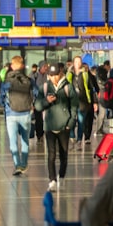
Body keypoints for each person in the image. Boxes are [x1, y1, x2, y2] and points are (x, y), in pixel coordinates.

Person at [36, 63, 77, 192]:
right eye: (51, 76)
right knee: (51, 155)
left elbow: (74, 107)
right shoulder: (44, 88)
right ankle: (52, 180)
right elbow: (37, 106)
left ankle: (62, 176)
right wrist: (46, 101)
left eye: (56, 75)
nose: (54, 78)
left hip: (64, 126)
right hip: (49, 126)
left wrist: (70, 124)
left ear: (60, 74)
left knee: (63, 154)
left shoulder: (68, 87)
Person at [1, 56, 34, 176]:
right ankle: (24, 164)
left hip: (11, 114)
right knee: (25, 140)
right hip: (25, 113)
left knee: (13, 141)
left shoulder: (6, 81)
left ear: (12, 66)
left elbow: (2, 99)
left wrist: (5, 106)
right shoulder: (28, 79)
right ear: (22, 66)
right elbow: (35, 93)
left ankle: (17, 165)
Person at [66, 56, 98, 146]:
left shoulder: (85, 74)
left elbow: (91, 88)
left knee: (81, 121)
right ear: (73, 63)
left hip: (82, 102)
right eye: (76, 61)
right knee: (71, 119)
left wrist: (94, 102)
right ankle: (72, 136)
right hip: (71, 101)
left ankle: (79, 139)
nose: (78, 63)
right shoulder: (69, 74)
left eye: (79, 62)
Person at [30, 61, 49, 143]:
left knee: (47, 117)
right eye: (45, 67)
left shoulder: (48, 75)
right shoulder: (34, 76)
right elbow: (31, 89)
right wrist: (32, 102)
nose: (46, 68)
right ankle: (39, 135)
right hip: (37, 100)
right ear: (40, 67)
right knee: (38, 119)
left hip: (47, 99)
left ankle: (45, 133)